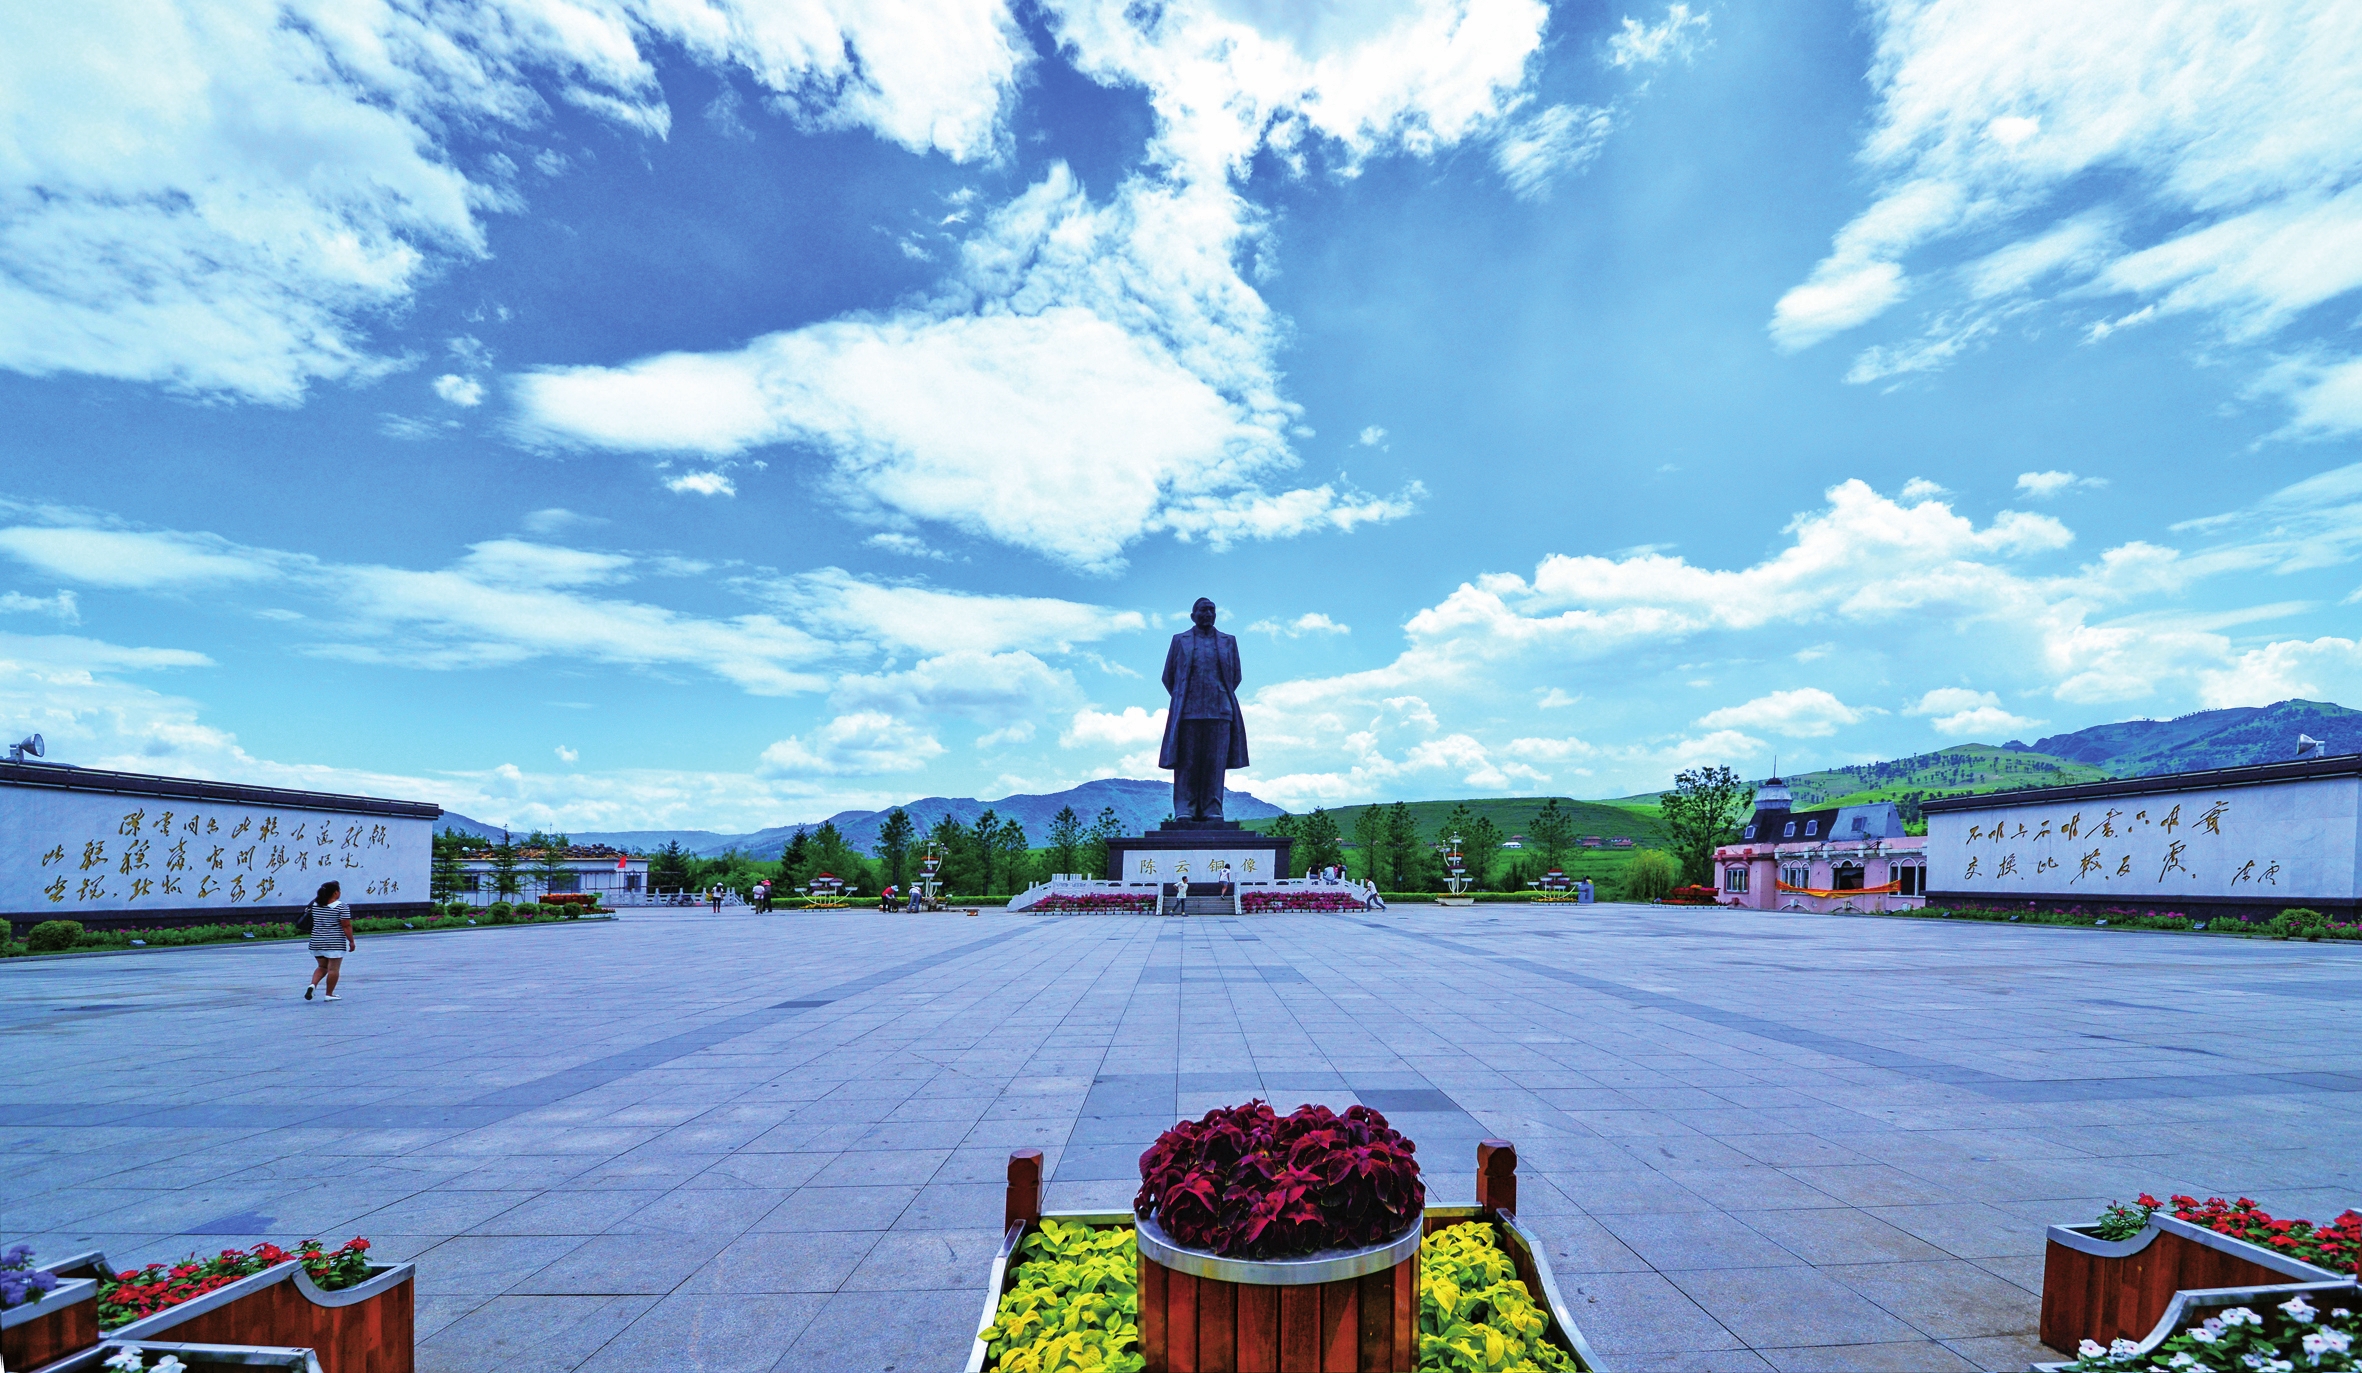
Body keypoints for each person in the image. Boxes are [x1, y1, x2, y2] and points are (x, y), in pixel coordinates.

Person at [303, 880, 354, 1001]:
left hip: (316, 940)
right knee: (333, 969)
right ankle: (329, 994)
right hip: (334, 942)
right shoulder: (341, 906)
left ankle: (312, 985)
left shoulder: (315, 905)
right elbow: (346, 925)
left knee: (322, 966)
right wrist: (351, 941)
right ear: (335, 893)